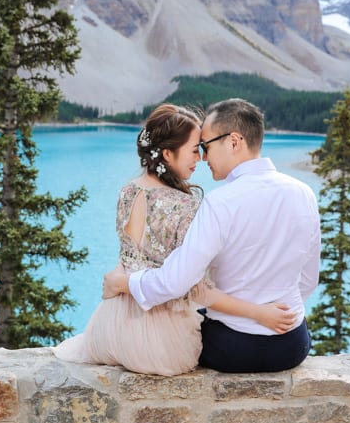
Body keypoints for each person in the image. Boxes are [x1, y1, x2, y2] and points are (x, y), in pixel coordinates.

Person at [53, 103, 296, 376]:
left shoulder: (127, 192)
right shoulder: (186, 206)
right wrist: (260, 313)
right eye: (195, 150)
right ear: (167, 153)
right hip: (160, 343)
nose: (201, 158)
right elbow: (197, 291)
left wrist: (121, 284)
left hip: (112, 327)